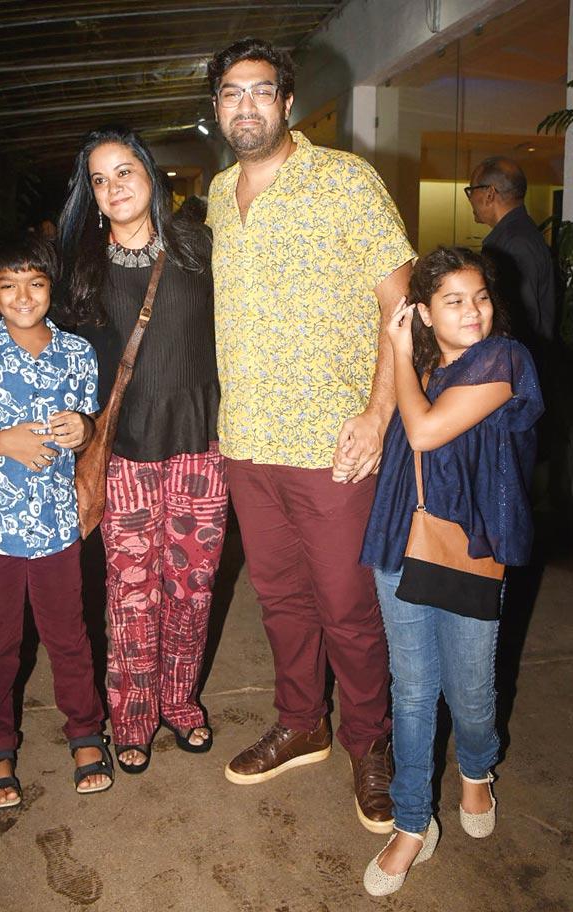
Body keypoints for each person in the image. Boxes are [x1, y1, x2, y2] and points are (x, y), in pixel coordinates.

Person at [0, 126, 227, 776]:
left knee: (193, 589)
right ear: (89, 195)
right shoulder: (78, 265)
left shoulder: (200, 247)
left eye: (125, 171)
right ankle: (133, 714)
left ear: (150, 175)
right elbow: (17, 304)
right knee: (129, 593)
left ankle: (180, 702)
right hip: (120, 451)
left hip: (201, 447)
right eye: (100, 179)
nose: (115, 187)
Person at [205, 37, 415, 832]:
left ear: (288, 103)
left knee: (346, 605)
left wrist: (379, 413)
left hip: (334, 442)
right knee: (282, 600)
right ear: (218, 108)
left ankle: (370, 743)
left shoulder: (345, 181)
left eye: (262, 91)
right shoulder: (220, 194)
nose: (247, 105)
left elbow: (403, 306)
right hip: (247, 440)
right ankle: (302, 720)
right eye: (231, 93)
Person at [347, 247, 542, 895]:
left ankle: (478, 769)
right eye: (453, 300)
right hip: (402, 534)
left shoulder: (505, 361)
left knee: (471, 691)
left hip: (472, 542)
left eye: (480, 296)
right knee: (411, 688)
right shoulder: (423, 365)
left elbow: (427, 432)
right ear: (423, 313)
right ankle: (410, 823)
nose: (473, 311)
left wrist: (398, 355)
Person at [0, 232, 113, 808]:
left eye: (35, 283)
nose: (23, 296)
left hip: (57, 526)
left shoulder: (77, 354)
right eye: (8, 285)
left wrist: (85, 430)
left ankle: (84, 733)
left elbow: (91, 430)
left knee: (69, 637)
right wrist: (2, 441)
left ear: (51, 288)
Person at [465, 157, 556, 371]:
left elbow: (520, 319)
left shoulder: (514, 244)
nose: (470, 199)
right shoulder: (519, 233)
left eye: (471, 191)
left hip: (518, 369)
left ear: (489, 193)